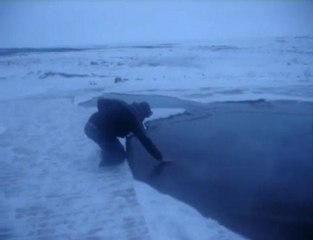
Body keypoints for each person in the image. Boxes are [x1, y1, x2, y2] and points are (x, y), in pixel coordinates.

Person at [84, 98, 163, 166]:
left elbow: (100, 101)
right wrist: (160, 157)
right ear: (143, 113)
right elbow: (145, 141)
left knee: (110, 146)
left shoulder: (122, 104)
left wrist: (104, 117)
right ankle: (102, 172)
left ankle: (106, 152)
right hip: (100, 133)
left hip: (89, 126)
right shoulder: (134, 120)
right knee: (120, 157)